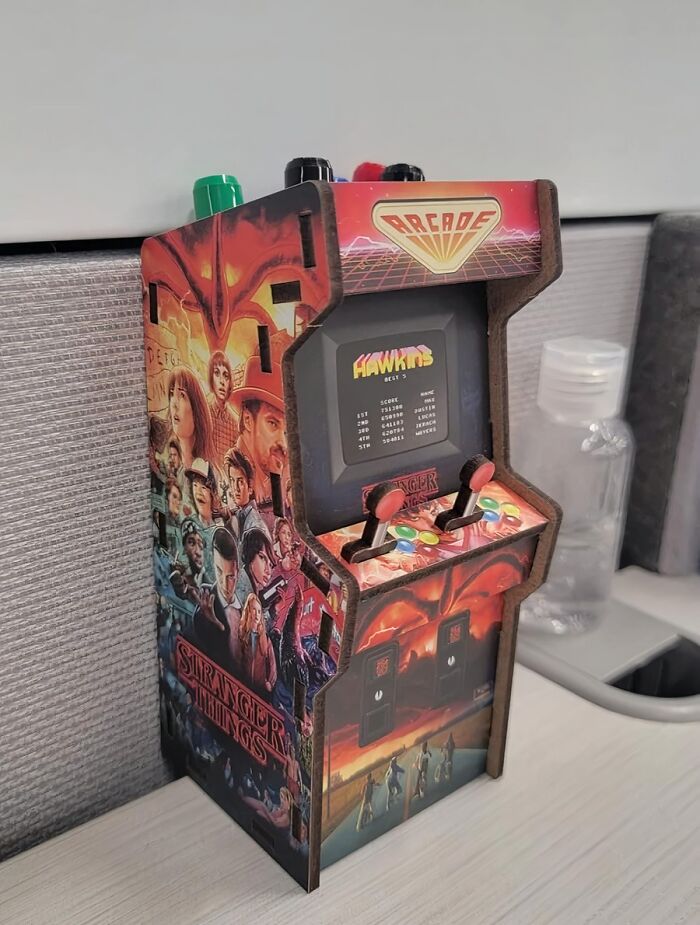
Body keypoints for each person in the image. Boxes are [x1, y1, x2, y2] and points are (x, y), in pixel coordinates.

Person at [231, 356, 288, 509]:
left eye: (286, 432)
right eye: (272, 423)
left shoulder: (273, 468)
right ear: (248, 420)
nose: (283, 443)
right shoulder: (233, 472)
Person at [192, 527, 242, 671]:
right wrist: (216, 624)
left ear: (238, 572)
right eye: (219, 572)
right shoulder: (203, 612)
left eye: (230, 576)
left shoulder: (246, 605)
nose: (224, 584)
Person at [167, 366, 215, 471]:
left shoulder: (208, 470)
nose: (174, 403)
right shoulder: (167, 467)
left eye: (182, 395)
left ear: (196, 409)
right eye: (171, 394)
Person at [223, 448, 268, 540]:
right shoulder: (239, 515)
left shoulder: (254, 525)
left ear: (250, 487)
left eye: (240, 482)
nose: (236, 488)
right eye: (232, 480)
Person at [238, 592, 277, 696]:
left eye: (259, 611)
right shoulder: (241, 634)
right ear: (248, 611)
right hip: (242, 688)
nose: (257, 614)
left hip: (260, 690)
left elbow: (272, 664)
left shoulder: (265, 639)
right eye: (254, 609)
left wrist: (270, 683)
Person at [236, 528, 276, 618]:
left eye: (270, 565)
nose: (268, 571)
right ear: (251, 554)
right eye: (262, 558)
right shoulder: (239, 588)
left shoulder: (254, 589)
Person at [207, 351, 238, 467]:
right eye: (216, 373)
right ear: (211, 378)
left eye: (226, 376)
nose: (222, 381)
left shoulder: (235, 423)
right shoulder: (204, 414)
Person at [170, 518, 206, 605]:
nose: (198, 552)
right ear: (185, 548)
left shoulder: (208, 583)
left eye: (200, 544)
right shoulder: (181, 576)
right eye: (191, 543)